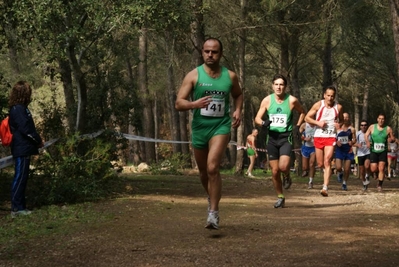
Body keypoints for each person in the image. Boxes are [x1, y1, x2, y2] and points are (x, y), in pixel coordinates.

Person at [175, 37, 243, 230]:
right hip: (199, 128)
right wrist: (194, 104)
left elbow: (238, 94)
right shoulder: (193, 76)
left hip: (220, 126)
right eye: (207, 51)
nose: (210, 55)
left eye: (214, 52)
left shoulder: (230, 76)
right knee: (204, 172)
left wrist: (238, 110)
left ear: (220, 54)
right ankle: (211, 197)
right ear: (202, 52)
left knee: (213, 167)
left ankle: (213, 213)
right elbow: (179, 103)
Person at [254, 74, 305, 208]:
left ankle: (287, 176)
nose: (278, 87)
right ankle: (280, 197)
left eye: (281, 84)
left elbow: (302, 112)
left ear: (285, 87)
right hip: (271, 138)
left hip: (285, 137)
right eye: (276, 84)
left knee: (283, 167)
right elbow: (257, 118)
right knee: (275, 171)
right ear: (272, 86)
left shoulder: (292, 100)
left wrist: (298, 126)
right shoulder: (267, 100)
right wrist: (263, 122)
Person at [9, 81, 43, 218]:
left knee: (23, 177)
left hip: (25, 148)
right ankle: (16, 208)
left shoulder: (21, 108)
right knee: (19, 177)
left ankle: (21, 206)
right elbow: (26, 129)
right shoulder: (18, 110)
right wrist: (38, 140)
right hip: (21, 148)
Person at [305, 85, 343, 197]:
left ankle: (325, 187)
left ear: (334, 96)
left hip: (330, 136)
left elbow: (341, 120)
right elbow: (307, 118)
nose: (330, 98)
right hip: (318, 135)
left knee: (327, 161)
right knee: (320, 163)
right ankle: (326, 175)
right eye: (328, 95)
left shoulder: (339, 107)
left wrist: (338, 125)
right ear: (324, 95)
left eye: (332, 96)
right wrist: (318, 123)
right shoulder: (318, 105)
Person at [364, 113, 395, 192]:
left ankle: (380, 185)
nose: (381, 120)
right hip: (374, 150)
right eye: (380, 118)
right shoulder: (372, 127)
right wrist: (367, 141)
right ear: (377, 119)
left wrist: (391, 139)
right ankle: (375, 172)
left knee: (382, 168)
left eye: (383, 119)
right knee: (373, 168)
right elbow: (366, 135)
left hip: (383, 151)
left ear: (384, 120)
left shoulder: (388, 128)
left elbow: (392, 138)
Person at [334, 112, 356, 191]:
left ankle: (344, 183)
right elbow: (333, 137)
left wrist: (352, 142)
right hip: (339, 150)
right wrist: (336, 142)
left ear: (349, 118)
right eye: (344, 117)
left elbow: (354, 139)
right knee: (339, 167)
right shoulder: (337, 128)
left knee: (347, 169)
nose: (345, 119)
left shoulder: (352, 129)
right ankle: (340, 173)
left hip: (348, 150)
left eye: (347, 117)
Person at [354, 120, 371, 190]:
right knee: (361, 170)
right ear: (360, 126)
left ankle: (367, 175)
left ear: (367, 126)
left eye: (365, 125)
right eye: (362, 125)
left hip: (368, 152)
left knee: (367, 166)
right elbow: (353, 143)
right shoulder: (357, 134)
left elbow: (373, 142)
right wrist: (357, 145)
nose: (363, 126)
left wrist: (370, 144)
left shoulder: (370, 134)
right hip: (360, 153)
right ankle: (364, 182)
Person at [299, 122, 316, 188]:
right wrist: (304, 138)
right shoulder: (304, 125)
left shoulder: (317, 125)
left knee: (312, 164)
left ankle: (310, 181)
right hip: (305, 147)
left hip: (314, 147)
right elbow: (300, 135)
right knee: (305, 167)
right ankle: (306, 171)